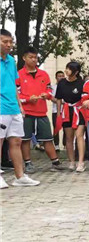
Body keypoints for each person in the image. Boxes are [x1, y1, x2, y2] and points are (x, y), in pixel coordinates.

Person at [0, 29, 39, 188]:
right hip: (1, 107)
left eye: (11, 42)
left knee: (16, 141)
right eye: (5, 42)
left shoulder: (11, 61)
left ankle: (20, 176)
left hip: (13, 107)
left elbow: (14, 85)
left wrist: (20, 105)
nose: (9, 45)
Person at [16, 47, 64, 172]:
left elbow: (49, 90)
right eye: (31, 57)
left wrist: (46, 95)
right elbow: (17, 95)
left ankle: (55, 162)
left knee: (47, 138)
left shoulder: (44, 74)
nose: (34, 60)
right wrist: (28, 99)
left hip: (41, 112)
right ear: (24, 58)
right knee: (25, 139)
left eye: (35, 57)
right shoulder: (19, 74)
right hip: (26, 113)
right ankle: (28, 163)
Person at [55, 61, 87, 172]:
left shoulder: (81, 83)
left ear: (76, 72)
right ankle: (72, 162)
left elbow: (86, 97)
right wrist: (59, 113)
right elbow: (58, 98)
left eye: (69, 69)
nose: (66, 71)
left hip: (79, 110)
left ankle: (81, 162)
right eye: (66, 68)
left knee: (79, 135)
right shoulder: (62, 83)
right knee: (69, 137)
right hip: (67, 111)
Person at [51, 70, 65, 151]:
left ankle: (65, 144)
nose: (61, 78)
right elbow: (52, 98)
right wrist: (61, 101)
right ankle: (56, 145)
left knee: (66, 128)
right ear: (56, 77)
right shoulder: (53, 87)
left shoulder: (66, 86)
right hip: (55, 111)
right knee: (56, 127)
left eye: (62, 76)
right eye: (59, 76)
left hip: (65, 110)